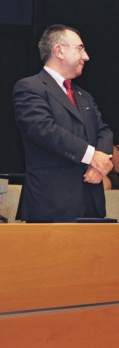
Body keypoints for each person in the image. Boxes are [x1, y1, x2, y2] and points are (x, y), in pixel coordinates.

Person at [13, 24, 113, 222]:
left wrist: (98, 166)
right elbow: (44, 130)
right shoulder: (30, 87)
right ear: (58, 50)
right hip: (52, 203)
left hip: (91, 201)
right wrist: (91, 156)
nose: (86, 57)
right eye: (80, 48)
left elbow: (104, 130)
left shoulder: (84, 95)